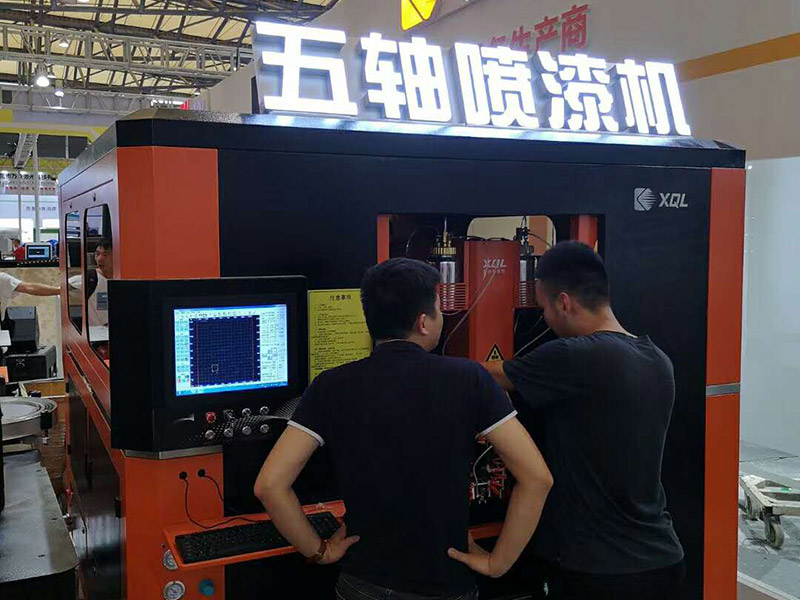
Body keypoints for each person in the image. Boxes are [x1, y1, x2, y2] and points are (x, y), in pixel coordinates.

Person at [255, 258, 553, 600]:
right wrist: (499, 562)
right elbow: (537, 478)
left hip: (362, 582)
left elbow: (270, 486)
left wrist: (318, 549)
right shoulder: (469, 379)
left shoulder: (330, 385)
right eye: (439, 309)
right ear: (423, 322)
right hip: (444, 583)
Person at [482, 241, 685, 600]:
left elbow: (487, 375)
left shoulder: (578, 356)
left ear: (564, 302)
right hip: (661, 559)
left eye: (544, 308)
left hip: (600, 571)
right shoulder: (657, 359)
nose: (544, 319)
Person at [68, 238, 112, 327]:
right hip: (96, 333)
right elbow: (57, 290)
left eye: (105, 255)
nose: (99, 259)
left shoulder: (127, 278)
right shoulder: (90, 278)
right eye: (97, 254)